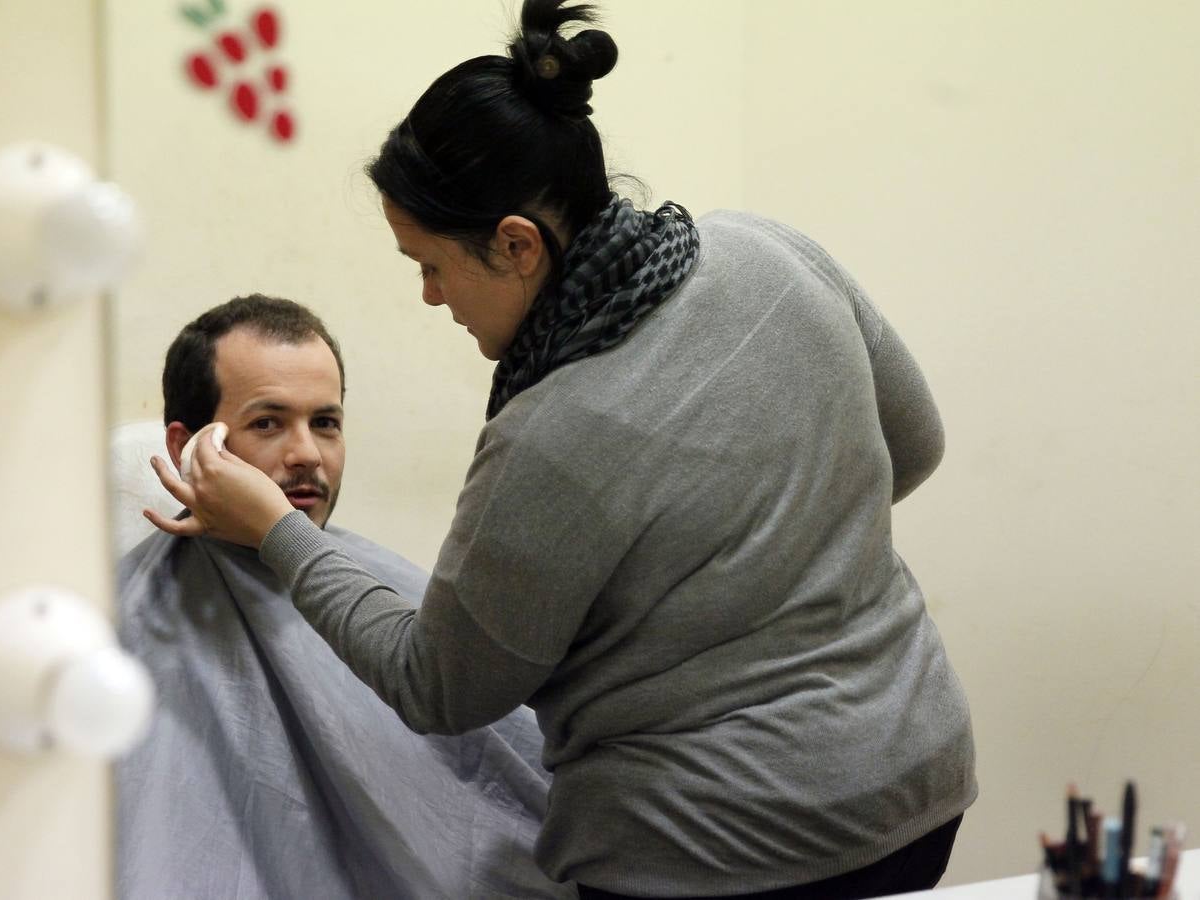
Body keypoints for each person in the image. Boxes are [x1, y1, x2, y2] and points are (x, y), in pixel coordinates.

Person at [147, 2, 978, 897]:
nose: (430, 297)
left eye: (430, 264)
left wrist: (276, 529)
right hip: (919, 781)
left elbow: (441, 689)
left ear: (516, 246)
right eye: (269, 423)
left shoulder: (555, 436)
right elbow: (915, 445)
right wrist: (758, 564)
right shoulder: (768, 251)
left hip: (722, 849)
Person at [121, 294, 572, 900]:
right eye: (268, 422)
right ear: (188, 447)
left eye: (325, 422)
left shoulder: (391, 591)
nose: (307, 452)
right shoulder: (115, 623)